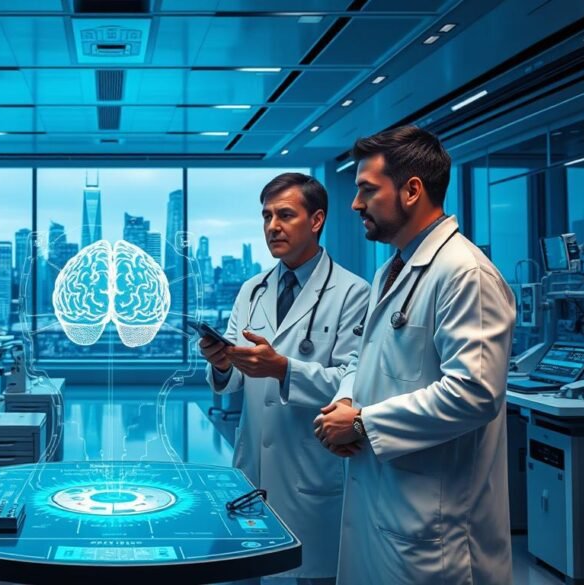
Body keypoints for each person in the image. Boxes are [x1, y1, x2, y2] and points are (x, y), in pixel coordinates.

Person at [314, 126, 515, 584]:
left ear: (411, 190)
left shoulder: (465, 274)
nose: (355, 204)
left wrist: (365, 423)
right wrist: (347, 400)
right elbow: (367, 359)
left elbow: (474, 393)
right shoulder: (392, 268)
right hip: (389, 507)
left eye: (367, 189)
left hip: (435, 532)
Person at [200, 172, 370, 584]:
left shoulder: (353, 293)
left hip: (313, 473)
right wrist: (222, 362)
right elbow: (234, 380)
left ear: (316, 220)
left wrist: (284, 369)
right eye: (266, 216)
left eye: (285, 215)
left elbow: (355, 383)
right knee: (252, 569)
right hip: (254, 470)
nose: (272, 226)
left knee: (310, 574)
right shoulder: (252, 290)